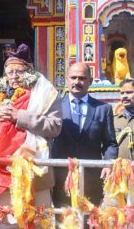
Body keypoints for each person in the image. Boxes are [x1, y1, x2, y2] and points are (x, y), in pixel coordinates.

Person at [0, 44, 62, 228]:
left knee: (37, 221)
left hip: (35, 172)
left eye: (19, 71)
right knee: (3, 221)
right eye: (10, 72)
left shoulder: (45, 93)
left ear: (30, 72)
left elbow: (55, 126)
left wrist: (20, 117)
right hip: (1, 170)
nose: (15, 76)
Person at [52, 62, 118, 208]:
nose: (77, 82)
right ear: (67, 80)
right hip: (60, 177)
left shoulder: (103, 109)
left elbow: (110, 143)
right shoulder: (54, 107)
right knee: (62, 220)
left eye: (81, 78)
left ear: (90, 81)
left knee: (89, 220)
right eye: (73, 77)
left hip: (91, 178)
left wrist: (108, 164)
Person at [114, 78, 134, 159]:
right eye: (122, 93)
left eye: (129, 92)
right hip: (118, 169)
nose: (125, 96)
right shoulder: (114, 120)